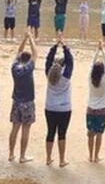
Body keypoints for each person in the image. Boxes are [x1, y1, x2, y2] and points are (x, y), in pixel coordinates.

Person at [45, 38, 74, 167]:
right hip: (64, 109)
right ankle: (62, 160)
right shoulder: (66, 77)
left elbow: (48, 61)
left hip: (50, 107)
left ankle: (48, 158)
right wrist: (65, 46)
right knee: (62, 134)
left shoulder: (49, 75)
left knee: (50, 132)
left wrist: (55, 47)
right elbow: (70, 61)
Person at [10, 31, 38, 162]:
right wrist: (31, 38)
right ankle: (22, 156)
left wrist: (25, 38)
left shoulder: (15, 67)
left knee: (15, 128)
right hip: (27, 102)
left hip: (16, 101)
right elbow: (35, 53)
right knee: (25, 130)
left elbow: (18, 51)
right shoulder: (28, 68)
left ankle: (11, 154)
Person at [87, 41, 105, 163]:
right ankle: (96, 156)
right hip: (102, 109)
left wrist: (97, 51)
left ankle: (90, 155)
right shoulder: (104, 79)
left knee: (90, 133)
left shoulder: (90, 79)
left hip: (91, 108)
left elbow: (92, 64)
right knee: (99, 134)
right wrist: (103, 50)